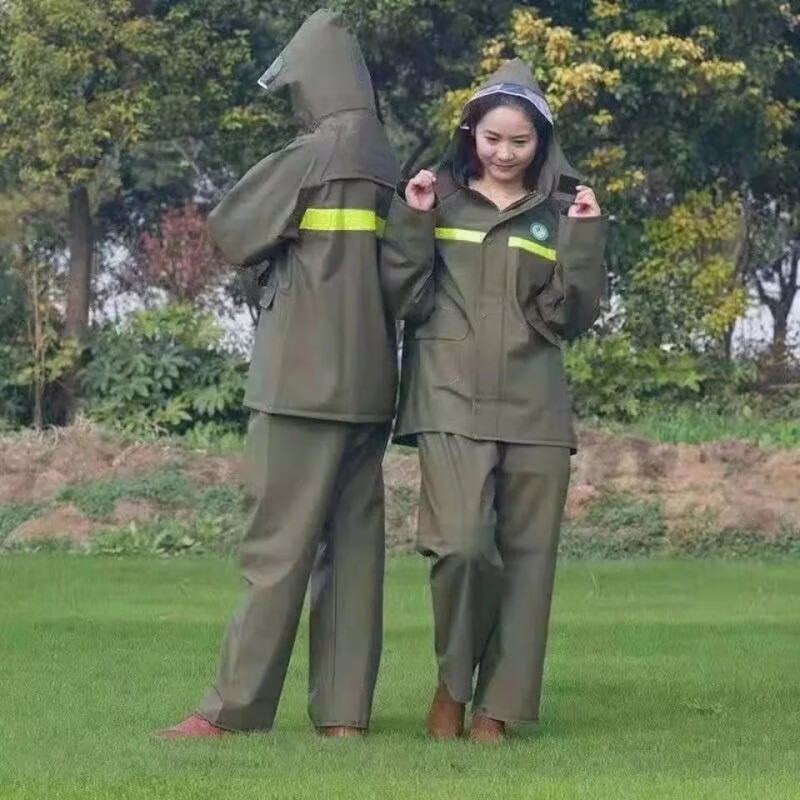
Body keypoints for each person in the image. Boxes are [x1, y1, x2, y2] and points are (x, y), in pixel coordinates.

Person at [154, 9, 399, 740]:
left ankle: (232, 712)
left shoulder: (311, 155)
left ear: (314, 82)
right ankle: (344, 717)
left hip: (298, 385)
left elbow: (231, 230)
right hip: (367, 391)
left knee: (276, 550)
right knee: (353, 555)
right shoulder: (390, 163)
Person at [380, 58, 607, 743]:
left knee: (530, 560)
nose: (505, 154)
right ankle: (452, 685)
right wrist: (413, 221)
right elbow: (402, 298)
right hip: (447, 396)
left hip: (535, 405)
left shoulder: (564, 211)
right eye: (493, 139)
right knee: (464, 548)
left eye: (520, 142)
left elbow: (574, 315)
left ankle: (496, 709)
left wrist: (585, 236)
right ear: (470, 133)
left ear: (541, 143)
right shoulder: (435, 201)